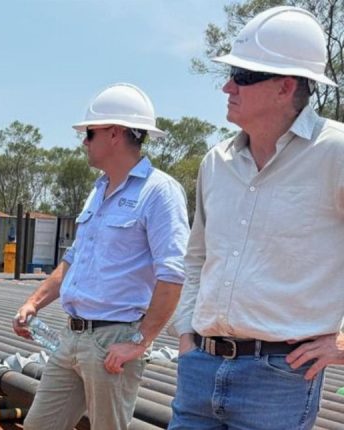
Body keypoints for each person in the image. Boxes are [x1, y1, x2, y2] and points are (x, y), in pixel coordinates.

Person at [168, 6, 343, 429]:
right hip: (199, 367)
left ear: (285, 87)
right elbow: (197, 257)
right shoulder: (216, 162)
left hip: (279, 379)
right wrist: (187, 334)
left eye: (242, 76)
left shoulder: (335, 153)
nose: (227, 86)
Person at [13, 83, 190, 430]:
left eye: (89, 133)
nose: (84, 142)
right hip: (73, 336)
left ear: (114, 133)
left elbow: (173, 273)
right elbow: (74, 259)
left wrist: (140, 341)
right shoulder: (98, 191)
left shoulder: (159, 192)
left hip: (115, 339)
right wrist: (34, 302)